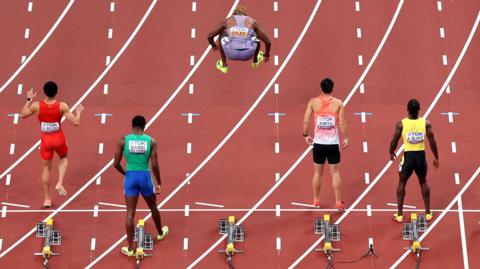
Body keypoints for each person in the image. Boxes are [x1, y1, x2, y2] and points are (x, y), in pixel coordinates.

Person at [20, 81, 84, 207]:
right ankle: (60, 182)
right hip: (58, 138)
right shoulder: (62, 106)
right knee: (63, 157)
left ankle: (47, 199)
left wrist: (28, 99)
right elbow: (76, 123)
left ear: (44, 92)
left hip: (46, 141)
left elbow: (23, 114)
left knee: (46, 168)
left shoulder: (37, 106)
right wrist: (79, 111)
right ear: (57, 92)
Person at [113, 115, 169, 257]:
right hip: (145, 178)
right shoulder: (151, 141)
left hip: (131, 178)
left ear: (132, 126)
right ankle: (160, 233)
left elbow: (115, 163)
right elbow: (155, 165)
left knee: (130, 213)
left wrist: (126, 173)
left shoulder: (123, 141)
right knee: (153, 207)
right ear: (144, 126)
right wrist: (159, 183)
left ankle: (131, 248)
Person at [303, 78, 349, 211]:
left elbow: (306, 120)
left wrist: (305, 135)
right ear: (332, 88)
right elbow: (342, 122)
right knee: (335, 173)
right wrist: (346, 138)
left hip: (318, 144)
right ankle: (338, 201)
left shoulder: (313, 102)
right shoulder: (338, 103)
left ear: (321, 88)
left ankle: (316, 200)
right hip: (333, 144)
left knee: (318, 172)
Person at [389, 99, 439, 222]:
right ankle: (428, 213)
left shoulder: (401, 124)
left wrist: (391, 152)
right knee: (423, 182)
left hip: (408, 158)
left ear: (408, 110)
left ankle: (399, 215)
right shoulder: (425, 123)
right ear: (418, 110)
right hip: (420, 157)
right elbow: (432, 141)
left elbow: (394, 141)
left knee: (402, 183)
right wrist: (436, 157)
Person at [207, 5, 271, 74]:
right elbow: (268, 42)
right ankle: (255, 60)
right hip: (248, 55)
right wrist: (266, 55)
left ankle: (224, 65)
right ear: (245, 14)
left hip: (230, 54)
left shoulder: (227, 21)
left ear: (234, 14)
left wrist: (214, 46)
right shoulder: (252, 22)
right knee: (256, 37)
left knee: (221, 35)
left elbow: (210, 36)